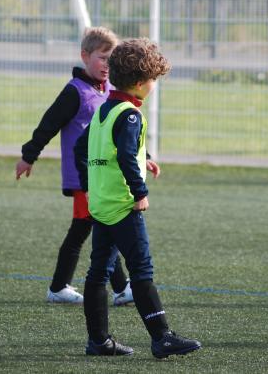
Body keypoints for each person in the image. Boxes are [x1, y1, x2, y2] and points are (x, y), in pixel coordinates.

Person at [74, 38, 202, 358]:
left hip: (101, 204)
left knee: (98, 273)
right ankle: (162, 338)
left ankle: (99, 341)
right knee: (141, 270)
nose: (154, 86)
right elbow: (127, 156)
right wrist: (140, 192)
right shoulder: (130, 116)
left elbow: (83, 150)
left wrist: (89, 184)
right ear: (142, 84)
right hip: (123, 205)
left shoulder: (105, 110)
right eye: (154, 81)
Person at [16, 27, 139, 306]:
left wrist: (146, 156)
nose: (108, 65)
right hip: (82, 175)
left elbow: (122, 129)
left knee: (89, 228)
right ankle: (119, 288)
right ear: (85, 56)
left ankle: (60, 286)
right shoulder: (75, 92)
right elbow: (48, 124)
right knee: (100, 226)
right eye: (103, 57)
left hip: (102, 175)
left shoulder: (110, 91)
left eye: (112, 59)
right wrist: (29, 155)